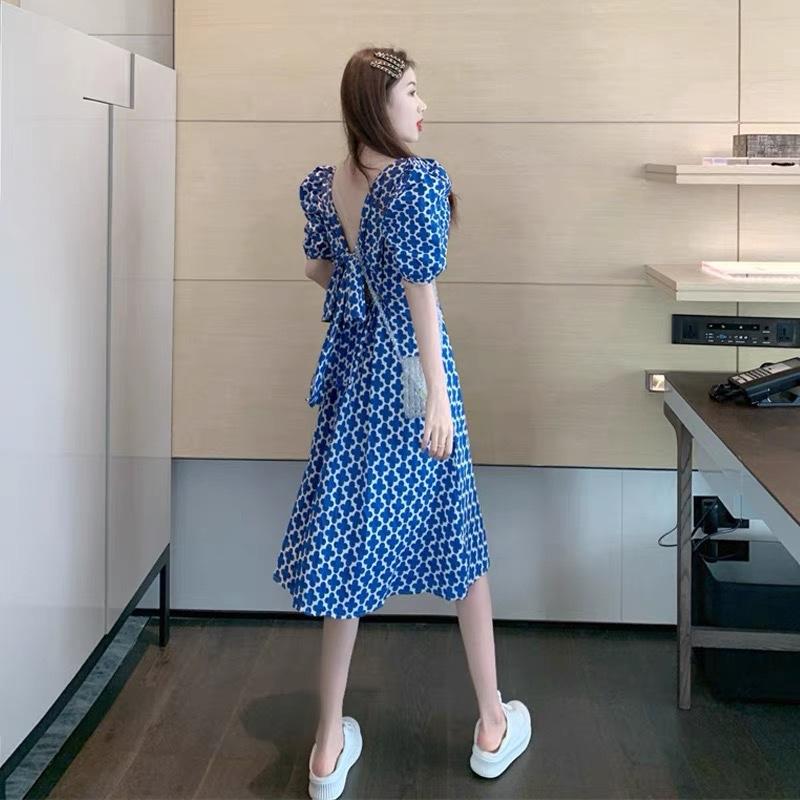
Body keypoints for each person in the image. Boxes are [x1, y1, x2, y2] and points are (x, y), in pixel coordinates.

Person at [271, 47, 532, 799]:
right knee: (459, 536)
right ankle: (492, 724)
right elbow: (423, 294)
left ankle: (327, 749)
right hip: (415, 378)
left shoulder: (328, 185)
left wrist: (359, 270)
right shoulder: (414, 183)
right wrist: (439, 399)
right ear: (376, 102)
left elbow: (317, 269)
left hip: (357, 375)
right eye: (411, 92)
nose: (423, 107)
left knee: (349, 548)